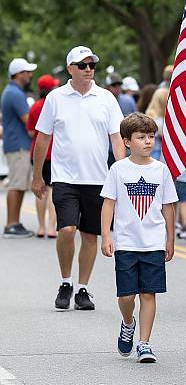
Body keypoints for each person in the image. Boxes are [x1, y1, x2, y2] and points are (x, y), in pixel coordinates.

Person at [31, 45, 125, 311]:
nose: (88, 70)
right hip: (65, 178)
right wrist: (37, 175)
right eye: (82, 65)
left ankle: (83, 288)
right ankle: (65, 281)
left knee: (89, 236)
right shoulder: (56, 98)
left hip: (97, 178)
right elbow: (43, 137)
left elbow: (116, 137)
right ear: (70, 68)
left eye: (91, 65)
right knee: (67, 229)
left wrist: (121, 170)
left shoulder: (106, 98)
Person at [100, 113, 177, 363]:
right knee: (126, 296)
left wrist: (170, 239)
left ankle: (144, 343)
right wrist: (106, 236)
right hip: (126, 242)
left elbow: (168, 207)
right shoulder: (118, 170)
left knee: (148, 294)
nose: (147, 142)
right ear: (127, 141)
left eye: (151, 137)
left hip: (153, 243)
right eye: (141, 137)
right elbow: (108, 204)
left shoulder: (161, 170)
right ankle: (127, 322)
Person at [1, 57, 37, 238]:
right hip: (18, 146)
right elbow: (28, 121)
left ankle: (14, 223)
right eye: (27, 72)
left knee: (20, 184)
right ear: (18, 74)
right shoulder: (14, 93)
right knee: (16, 185)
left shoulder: (12, 91)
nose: (30, 75)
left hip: (16, 144)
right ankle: (10, 225)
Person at [26, 74, 59, 238]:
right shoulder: (56, 105)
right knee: (53, 190)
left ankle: (40, 227)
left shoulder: (35, 107)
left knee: (40, 189)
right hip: (54, 152)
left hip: (37, 152)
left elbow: (31, 131)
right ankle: (52, 228)